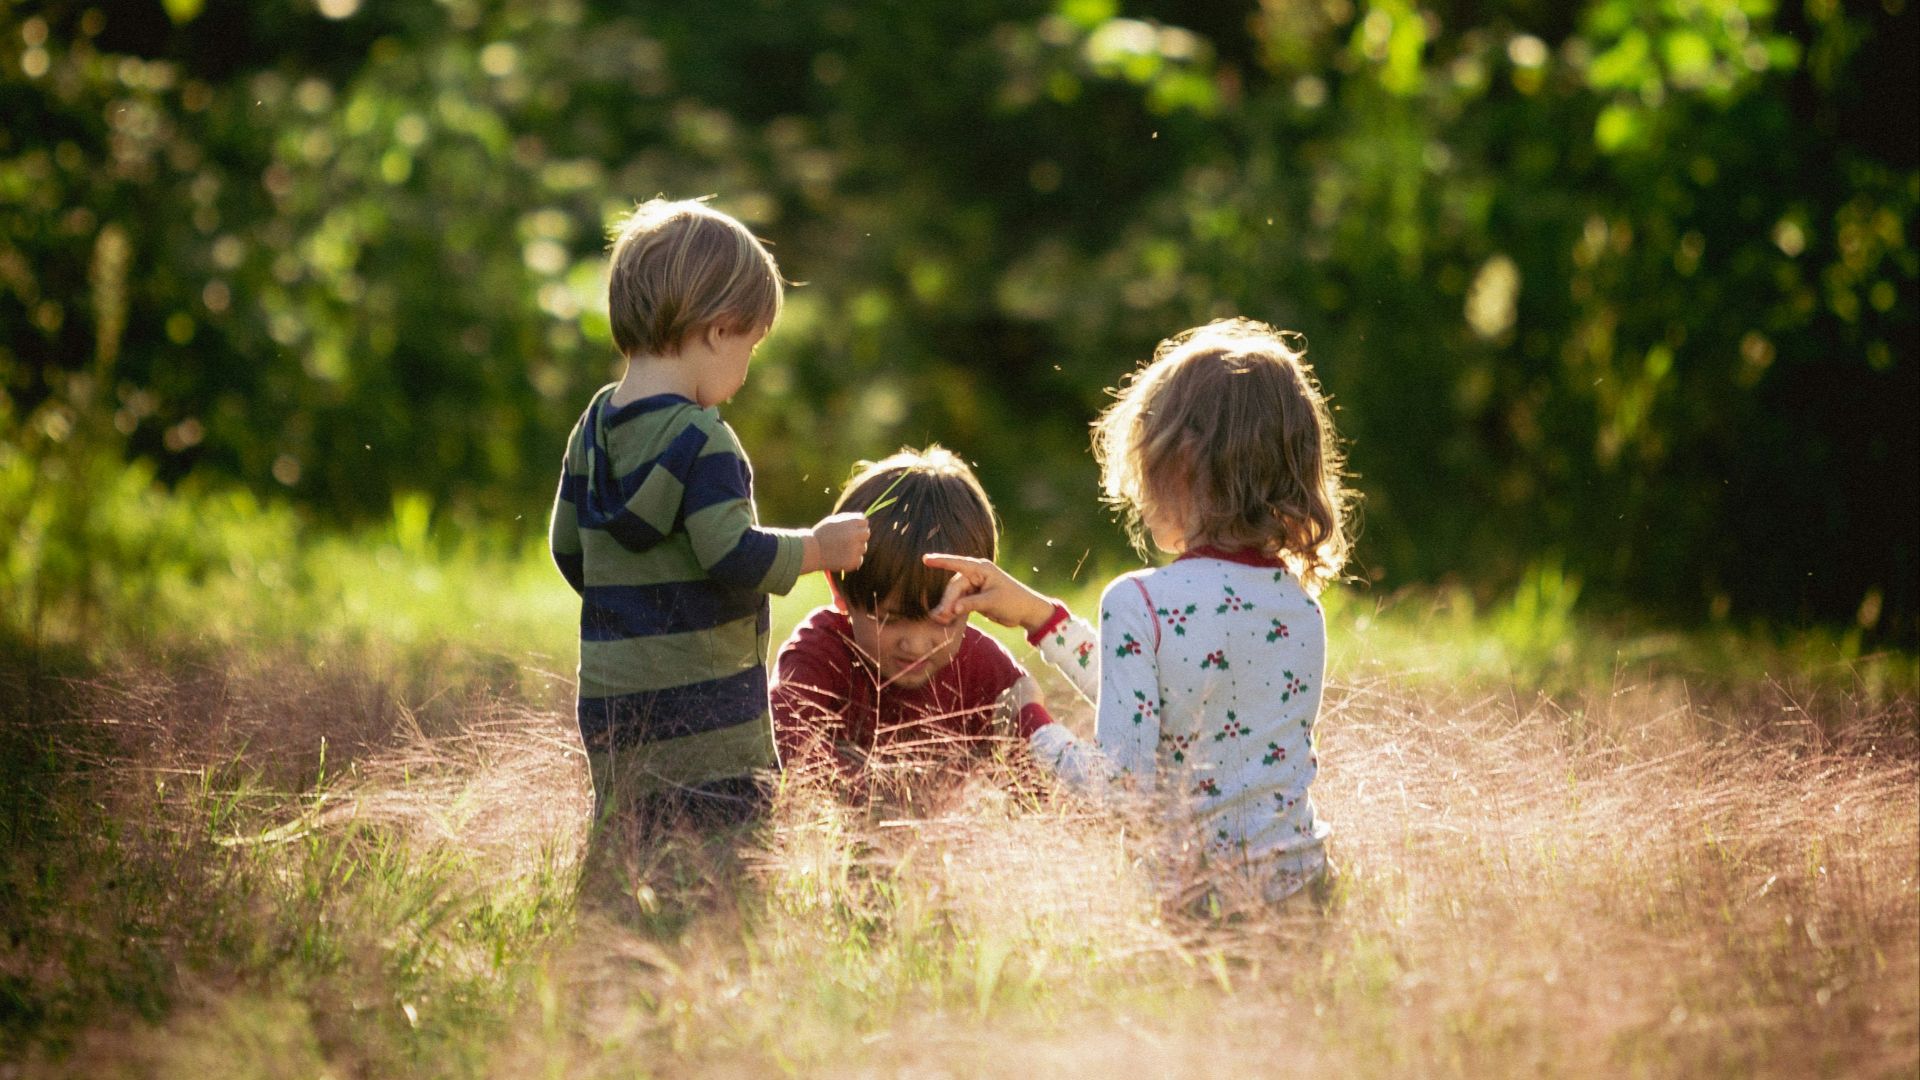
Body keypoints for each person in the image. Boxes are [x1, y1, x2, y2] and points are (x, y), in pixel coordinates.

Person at [925, 317, 1354, 906]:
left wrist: (1030, 726)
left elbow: (1121, 793)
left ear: (1177, 461)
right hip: (1305, 895)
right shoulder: (1299, 608)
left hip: (1199, 913)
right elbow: (1174, 695)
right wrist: (1039, 619)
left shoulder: (1140, 602)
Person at [548, 197, 870, 838]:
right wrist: (817, 548)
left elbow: (567, 548)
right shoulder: (703, 439)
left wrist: (631, 610)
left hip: (613, 696)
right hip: (707, 709)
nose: (746, 369)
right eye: (750, 347)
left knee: (630, 837)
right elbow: (732, 555)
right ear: (719, 331)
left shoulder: (593, 427)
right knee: (726, 853)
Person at [770, 446, 1056, 798]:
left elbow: (1046, 791)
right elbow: (797, 767)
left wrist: (1027, 713)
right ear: (840, 588)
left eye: (944, 622)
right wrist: (895, 806)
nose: (916, 644)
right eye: (889, 620)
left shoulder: (985, 670)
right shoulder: (819, 657)